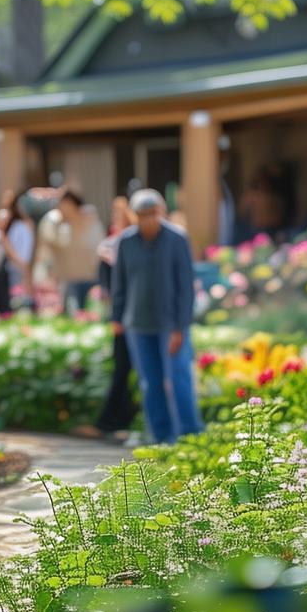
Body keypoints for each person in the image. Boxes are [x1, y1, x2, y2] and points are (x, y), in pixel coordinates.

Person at [111, 189, 203, 445]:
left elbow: (186, 287)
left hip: (170, 324)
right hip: (137, 323)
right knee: (150, 383)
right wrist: (116, 316)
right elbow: (120, 282)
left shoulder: (177, 239)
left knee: (178, 378)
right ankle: (160, 436)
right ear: (134, 215)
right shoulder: (126, 242)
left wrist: (180, 327)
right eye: (142, 215)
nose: (147, 220)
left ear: (161, 212)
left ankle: (190, 436)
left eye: (152, 214)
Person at [74, 196, 138, 441]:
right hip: (121, 316)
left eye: (118, 216)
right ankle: (118, 419)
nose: (114, 221)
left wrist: (117, 315)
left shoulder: (126, 246)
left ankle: (111, 421)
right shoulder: (114, 246)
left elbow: (119, 286)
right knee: (123, 368)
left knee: (124, 368)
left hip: (126, 318)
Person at [43, 189, 103, 314]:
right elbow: (56, 249)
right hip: (71, 279)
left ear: (69, 203)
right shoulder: (62, 225)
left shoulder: (89, 217)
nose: (58, 208)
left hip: (91, 277)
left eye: (61, 203)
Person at [0, 190, 35, 315]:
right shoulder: (10, 225)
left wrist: (24, 267)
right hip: (14, 267)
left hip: (18, 266)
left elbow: (23, 250)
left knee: (19, 301)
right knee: (14, 301)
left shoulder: (22, 225)